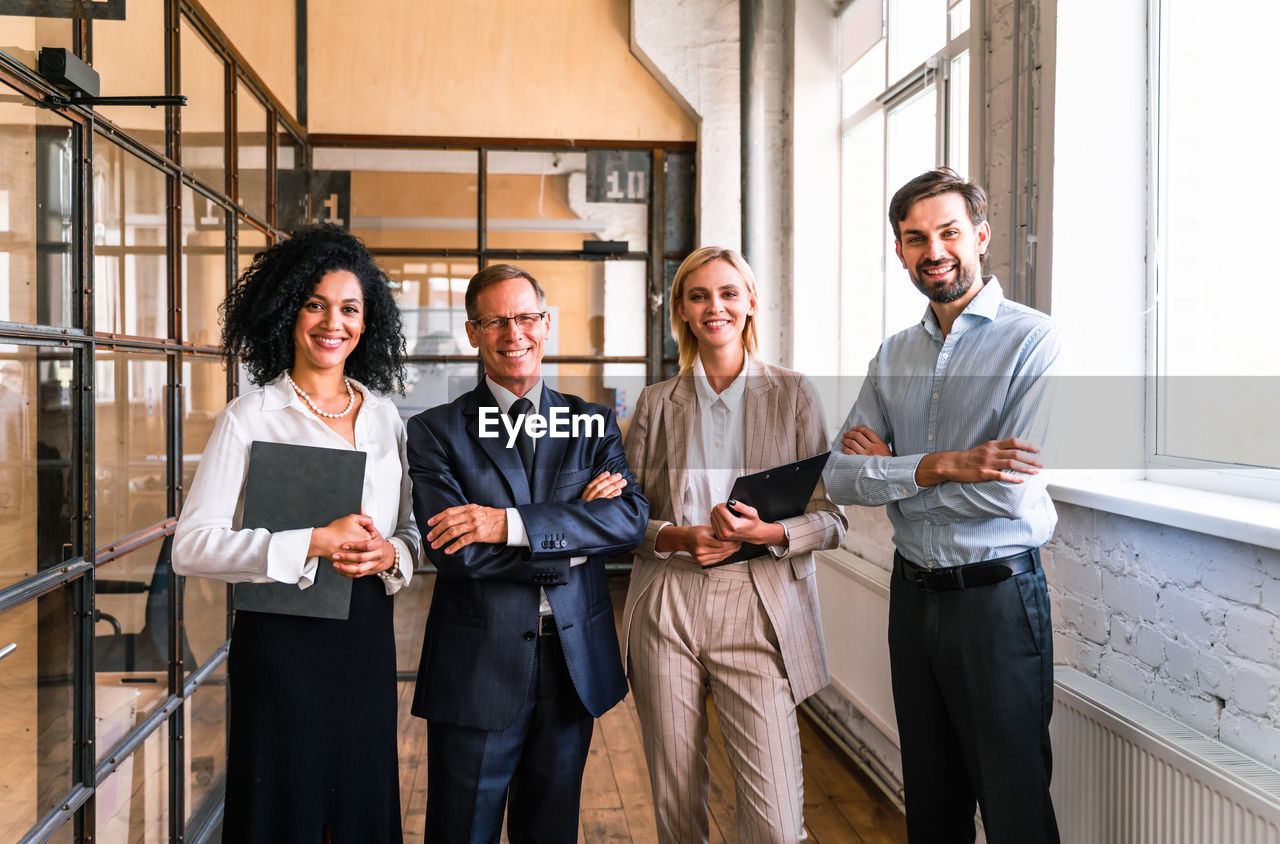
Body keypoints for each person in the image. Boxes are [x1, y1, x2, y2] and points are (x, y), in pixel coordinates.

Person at [822, 168, 1061, 843]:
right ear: (899, 251)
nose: (935, 250)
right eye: (915, 238)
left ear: (980, 237)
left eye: (949, 232)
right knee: (930, 802)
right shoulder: (893, 354)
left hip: (998, 603)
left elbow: (1006, 493)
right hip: (913, 596)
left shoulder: (1034, 341)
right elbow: (840, 478)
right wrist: (945, 464)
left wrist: (894, 471)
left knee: (1013, 805)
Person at [173, 224, 417, 843]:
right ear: (286, 310)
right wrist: (311, 540)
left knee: (364, 805)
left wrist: (393, 555)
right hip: (281, 643)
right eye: (315, 304)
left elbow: (409, 529)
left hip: (365, 639)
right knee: (283, 809)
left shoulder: (385, 417)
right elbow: (190, 545)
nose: (333, 323)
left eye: (349, 308)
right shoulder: (251, 415)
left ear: (369, 322)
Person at [405, 263, 649, 843]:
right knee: (462, 830)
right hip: (477, 668)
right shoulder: (434, 431)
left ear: (546, 323)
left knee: (552, 830)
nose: (514, 333)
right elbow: (454, 552)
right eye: (495, 321)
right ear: (472, 332)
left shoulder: (592, 424)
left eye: (526, 317)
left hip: (572, 664)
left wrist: (505, 524)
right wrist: (576, 540)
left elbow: (629, 521)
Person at [622, 247, 847, 843]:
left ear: (749, 302)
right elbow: (624, 521)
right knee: (676, 806)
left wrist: (767, 534)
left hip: (760, 603)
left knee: (775, 823)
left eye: (727, 293)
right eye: (698, 296)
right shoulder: (654, 403)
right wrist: (676, 536)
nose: (714, 306)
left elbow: (832, 519)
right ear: (683, 312)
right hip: (668, 601)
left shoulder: (794, 395)